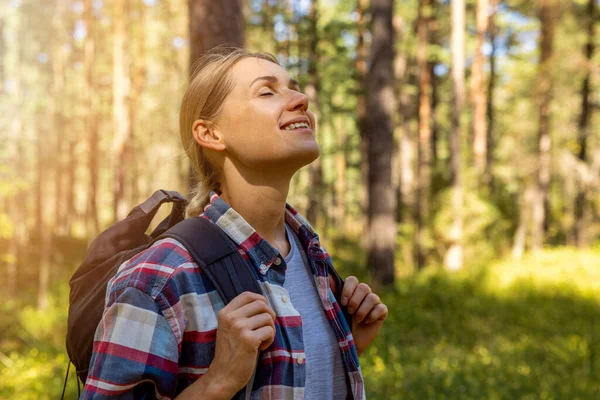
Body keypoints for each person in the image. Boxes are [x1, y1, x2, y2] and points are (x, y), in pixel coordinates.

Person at [81, 47, 388, 400]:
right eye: (267, 91)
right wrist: (218, 381)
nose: (301, 99)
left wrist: (346, 346)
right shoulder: (162, 274)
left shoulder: (312, 257)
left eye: (295, 87)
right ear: (211, 133)